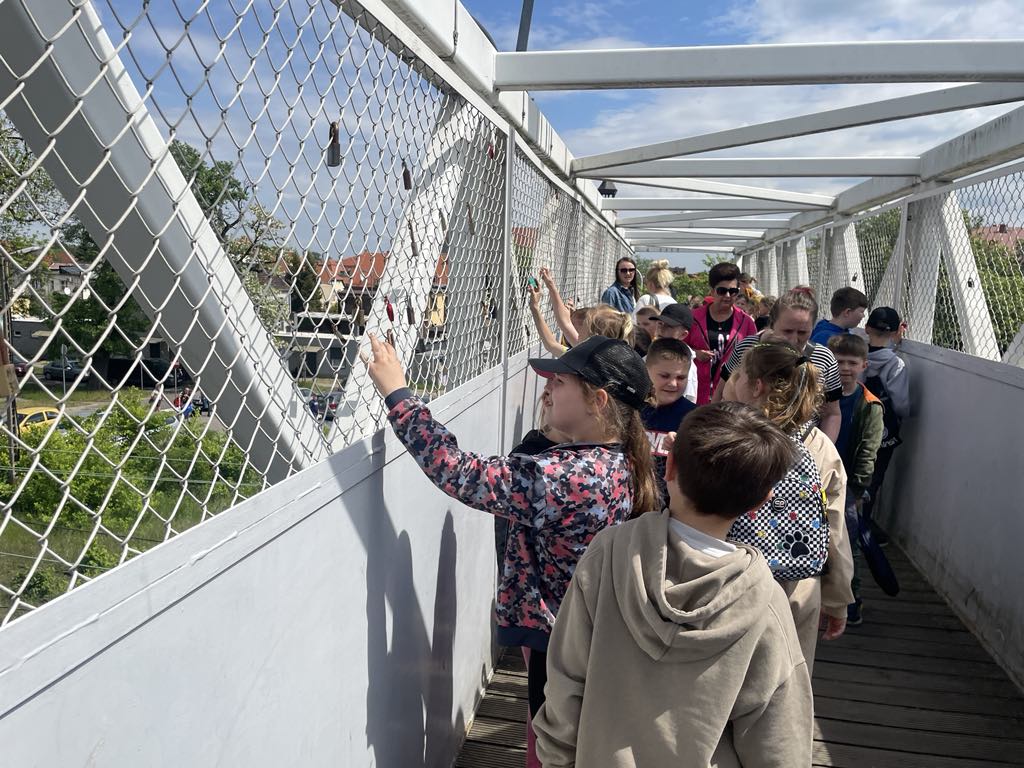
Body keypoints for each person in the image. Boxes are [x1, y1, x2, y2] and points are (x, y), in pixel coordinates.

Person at [364, 332, 659, 762]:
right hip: (585, 635)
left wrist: (398, 392)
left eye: (561, 381)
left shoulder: (568, 477)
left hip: (557, 643)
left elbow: (458, 472)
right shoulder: (621, 461)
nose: (548, 388)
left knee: (555, 744)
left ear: (597, 400)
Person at [533, 403, 813, 768]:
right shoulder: (763, 601)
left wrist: (557, 759)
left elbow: (567, 675)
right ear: (760, 501)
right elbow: (778, 736)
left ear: (669, 466)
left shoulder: (611, 553)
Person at [723, 342, 854, 669]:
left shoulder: (725, 436)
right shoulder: (820, 445)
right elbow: (833, 531)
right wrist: (837, 601)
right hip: (794, 588)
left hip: (728, 581)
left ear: (756, 386)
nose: (733, 381)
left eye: (739, 375)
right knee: (785, 679)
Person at [716, 286, 843, 442]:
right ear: (772, 324)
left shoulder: (823, 358)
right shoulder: (748, 347)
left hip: (798, 446)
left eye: (803, 332)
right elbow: (721, 391)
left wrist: (821, 452)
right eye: (787, 331)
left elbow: (832, 413)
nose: (794, 339)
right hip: (744, 441)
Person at [828, 333, 884, 625]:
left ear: (864, 365)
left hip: (847, 485)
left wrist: (859, 488)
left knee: (846, 542)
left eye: (852, 362)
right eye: (838, 361)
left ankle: (851, 598)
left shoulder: (869, 405)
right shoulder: (819, 394)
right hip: (819, 478)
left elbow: (868, 451)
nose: (845, 368)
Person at [862, 307, 911, 545]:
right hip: (884, 429)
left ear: (866, 328)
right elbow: (901, 402)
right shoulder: (895, 364)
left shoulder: (857, 356)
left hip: (856, 422)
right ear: (894, 333)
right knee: (875, 473)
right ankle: (864, 523)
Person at [684, 262, 758, 405]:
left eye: (733, 291)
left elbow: (754, 359)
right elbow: (676, 348)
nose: (728, 296)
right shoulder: (692, 318)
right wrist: (694, 353)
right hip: (694, 393)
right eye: (722, 291)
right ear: (712, 291)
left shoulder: (747, 323)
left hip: (729, 396)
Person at [641, 338, 697, 509]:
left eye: (681, 377)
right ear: (646, 370)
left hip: (667, 509)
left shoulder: (694, 417)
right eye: (664, 376)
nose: (673, 384)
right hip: (627, 500)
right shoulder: (630, 409)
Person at [653, 303, 698, 403]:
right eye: (660, 323)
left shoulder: (686, 367)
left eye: (669, 326)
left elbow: (686, 403)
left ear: (683, 334)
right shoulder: (651, 354)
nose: (661, 329)